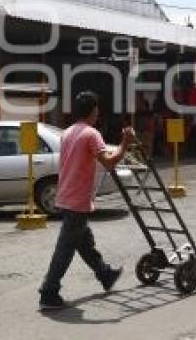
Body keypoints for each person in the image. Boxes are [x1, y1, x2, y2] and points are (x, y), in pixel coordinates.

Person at [39, 91, 137, 311]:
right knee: (65, 248)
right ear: (94, 110)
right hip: (77, 201)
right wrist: (125, 143)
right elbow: (109, 162)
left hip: (66, 197)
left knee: (84, 241)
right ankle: (49, 291)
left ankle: (105, 274)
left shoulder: (68, 133)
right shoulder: (91, 134)